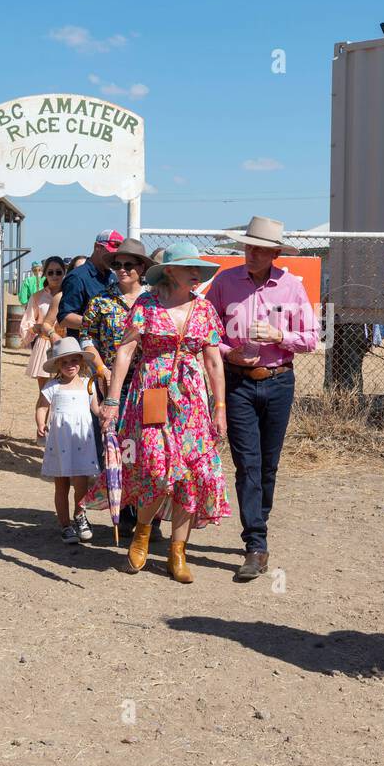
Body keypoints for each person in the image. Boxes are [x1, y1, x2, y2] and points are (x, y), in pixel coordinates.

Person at [100, 244, 230, 583]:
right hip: (152, 395)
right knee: (156, 469)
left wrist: (220, 407)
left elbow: (214, 361)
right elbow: (126, 352)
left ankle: (177, 551)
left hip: (191, 401)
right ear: (170, 271)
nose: (197, 274)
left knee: (190, 475)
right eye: (189, 267)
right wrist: (112, 401)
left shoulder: (204, 310)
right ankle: (142, 532)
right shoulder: (147, 304)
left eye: (199, 269)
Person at [205, 215, 318, 581]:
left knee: (268, 465)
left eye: (260, 249)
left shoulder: (291, 287)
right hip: (237, 384)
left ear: (274, 253)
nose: (251, 253)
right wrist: (228, 353)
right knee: (248, 464)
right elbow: (206, 334)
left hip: (279, 382)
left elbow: (313, 338)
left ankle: (258, 520)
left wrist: (278, 335)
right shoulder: (224, 283)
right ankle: (256, 543)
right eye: (248, 247)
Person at [79, 238, 155, 538]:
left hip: (149, 386)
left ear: (142, 269)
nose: (122, 270)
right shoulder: (101, 301)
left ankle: (150, 518)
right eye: (118, 265)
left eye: (129, 265)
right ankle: (125, 511)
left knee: (150, 447)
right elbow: (86, 338)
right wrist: (101, 370)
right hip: (114, 387)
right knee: (121, 448)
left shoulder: (154, 302)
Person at [36, 337, 100, 543]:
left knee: (81, 484)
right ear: (57, 365)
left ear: (81, 361)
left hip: (82, 440)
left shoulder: (88, 383)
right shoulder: (52, 386)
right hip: (60, 440)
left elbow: (96, 408)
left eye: (74, 360)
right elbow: (42, 406)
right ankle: (65, 525)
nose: (70, 365)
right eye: (64, 362)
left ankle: (80, 516)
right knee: (61, 484)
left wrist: (107, 414)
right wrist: (40, 423)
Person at [52, 237, 118, 340]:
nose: (112, 258)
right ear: (97, 247)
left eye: (115, 256)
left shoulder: (112, 277)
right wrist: (100, 324)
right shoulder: (77, 277)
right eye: (109, 253)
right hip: (84, 348)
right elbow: (65, 318)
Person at [19, 255, 67, 390]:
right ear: (45, 274)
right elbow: (25, 324)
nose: (54, 276)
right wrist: (39, 328)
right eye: (50, 272)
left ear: (64, 273)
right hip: (45, 344)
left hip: (67, 342)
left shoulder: (70, 294)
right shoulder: (37, 297)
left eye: (58, 272)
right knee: (45, 393)